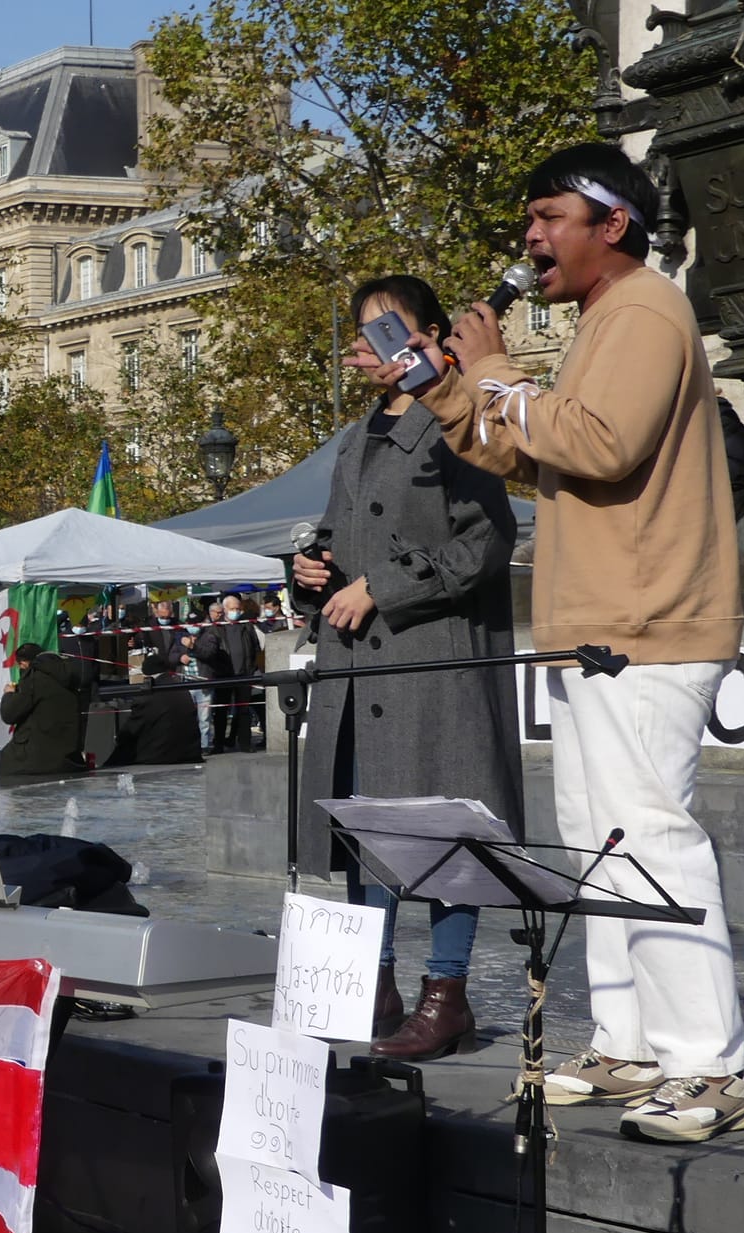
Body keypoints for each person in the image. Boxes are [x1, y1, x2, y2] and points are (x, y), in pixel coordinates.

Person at [408, 142, 744, 1141]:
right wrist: (447, 391)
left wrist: (491, 369)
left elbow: (601, 442)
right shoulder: (603, 321)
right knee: (599, 846)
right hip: (597, 627)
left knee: (649, 838)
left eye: (548, 215)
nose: (529, 237)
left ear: (613, 222)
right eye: (528, 219)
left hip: (646, 624)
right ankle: (626, 1043)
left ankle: (711, 1066)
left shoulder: (644, 308)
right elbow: (541, 450)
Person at [296, 274, 522, 1061]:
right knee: (367, 827)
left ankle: (446, 996)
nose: (372, 346)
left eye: (388, 329)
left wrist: (382, 587)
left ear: (426, 336)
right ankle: (375, 983)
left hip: (433, 668)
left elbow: (487, 542)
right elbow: (337, 536)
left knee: (447, 836)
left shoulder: (457, 421)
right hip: (358, 672)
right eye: (364, 332)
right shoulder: (355, 438)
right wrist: (313, 570)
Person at [0, 642, 86, 777]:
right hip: (68, 759)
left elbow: (9, 714)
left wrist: (9, 694)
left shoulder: (33, 679)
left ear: (24, 663)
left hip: (35, 760)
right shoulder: (69, 677)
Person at [108, 652, 204, 767]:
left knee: (122, 751)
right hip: (190, 753)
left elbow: (131, 729)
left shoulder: (149, 695)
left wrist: (119, 738)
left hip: (161, 755)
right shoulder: (181, 688)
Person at [196, 595, 260, 753]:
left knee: (243, 711)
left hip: (244, 674)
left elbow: (255, 647)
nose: (236, 611)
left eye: (238, 608)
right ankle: (218, 745)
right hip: (223, 675)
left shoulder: (246, 626)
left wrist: (252, 668)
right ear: (224, 610)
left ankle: (245, 743)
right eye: (232, 609)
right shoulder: (215, 628)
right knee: (221, 711)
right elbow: (207, 651)